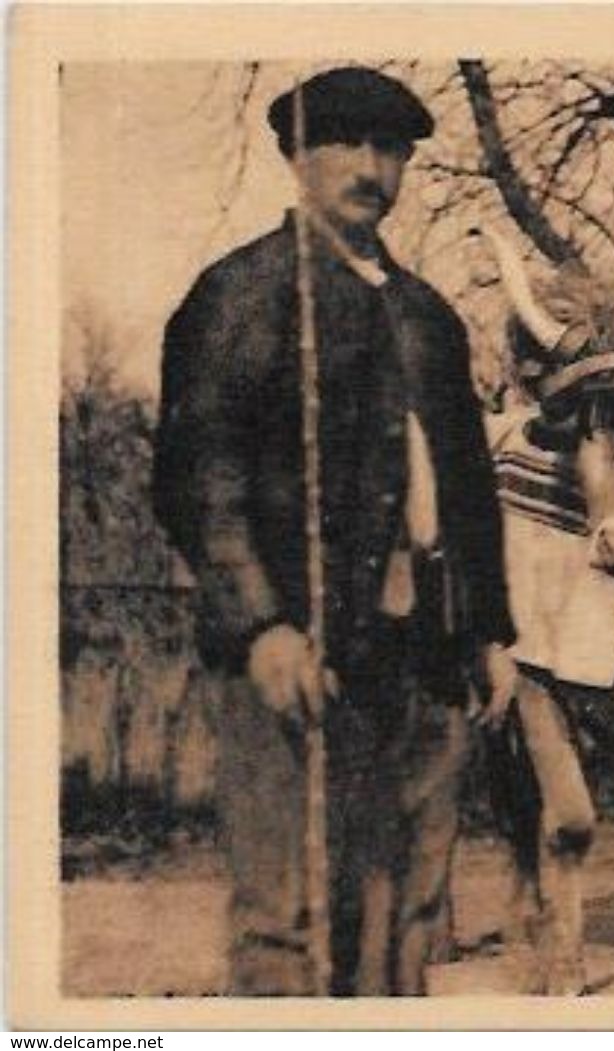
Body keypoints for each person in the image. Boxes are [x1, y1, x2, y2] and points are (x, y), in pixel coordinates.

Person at [153, 66, 518, 996]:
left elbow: (468, 487)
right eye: (347, 143)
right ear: (296, 156)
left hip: (423, 656)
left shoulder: (427, 315)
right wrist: (260, 626)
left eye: (390, 148)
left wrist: (485, 632)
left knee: (410, 913)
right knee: (294, 918)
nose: (371, 166)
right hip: (298, 652)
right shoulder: (243, 294)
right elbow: (203, 478)